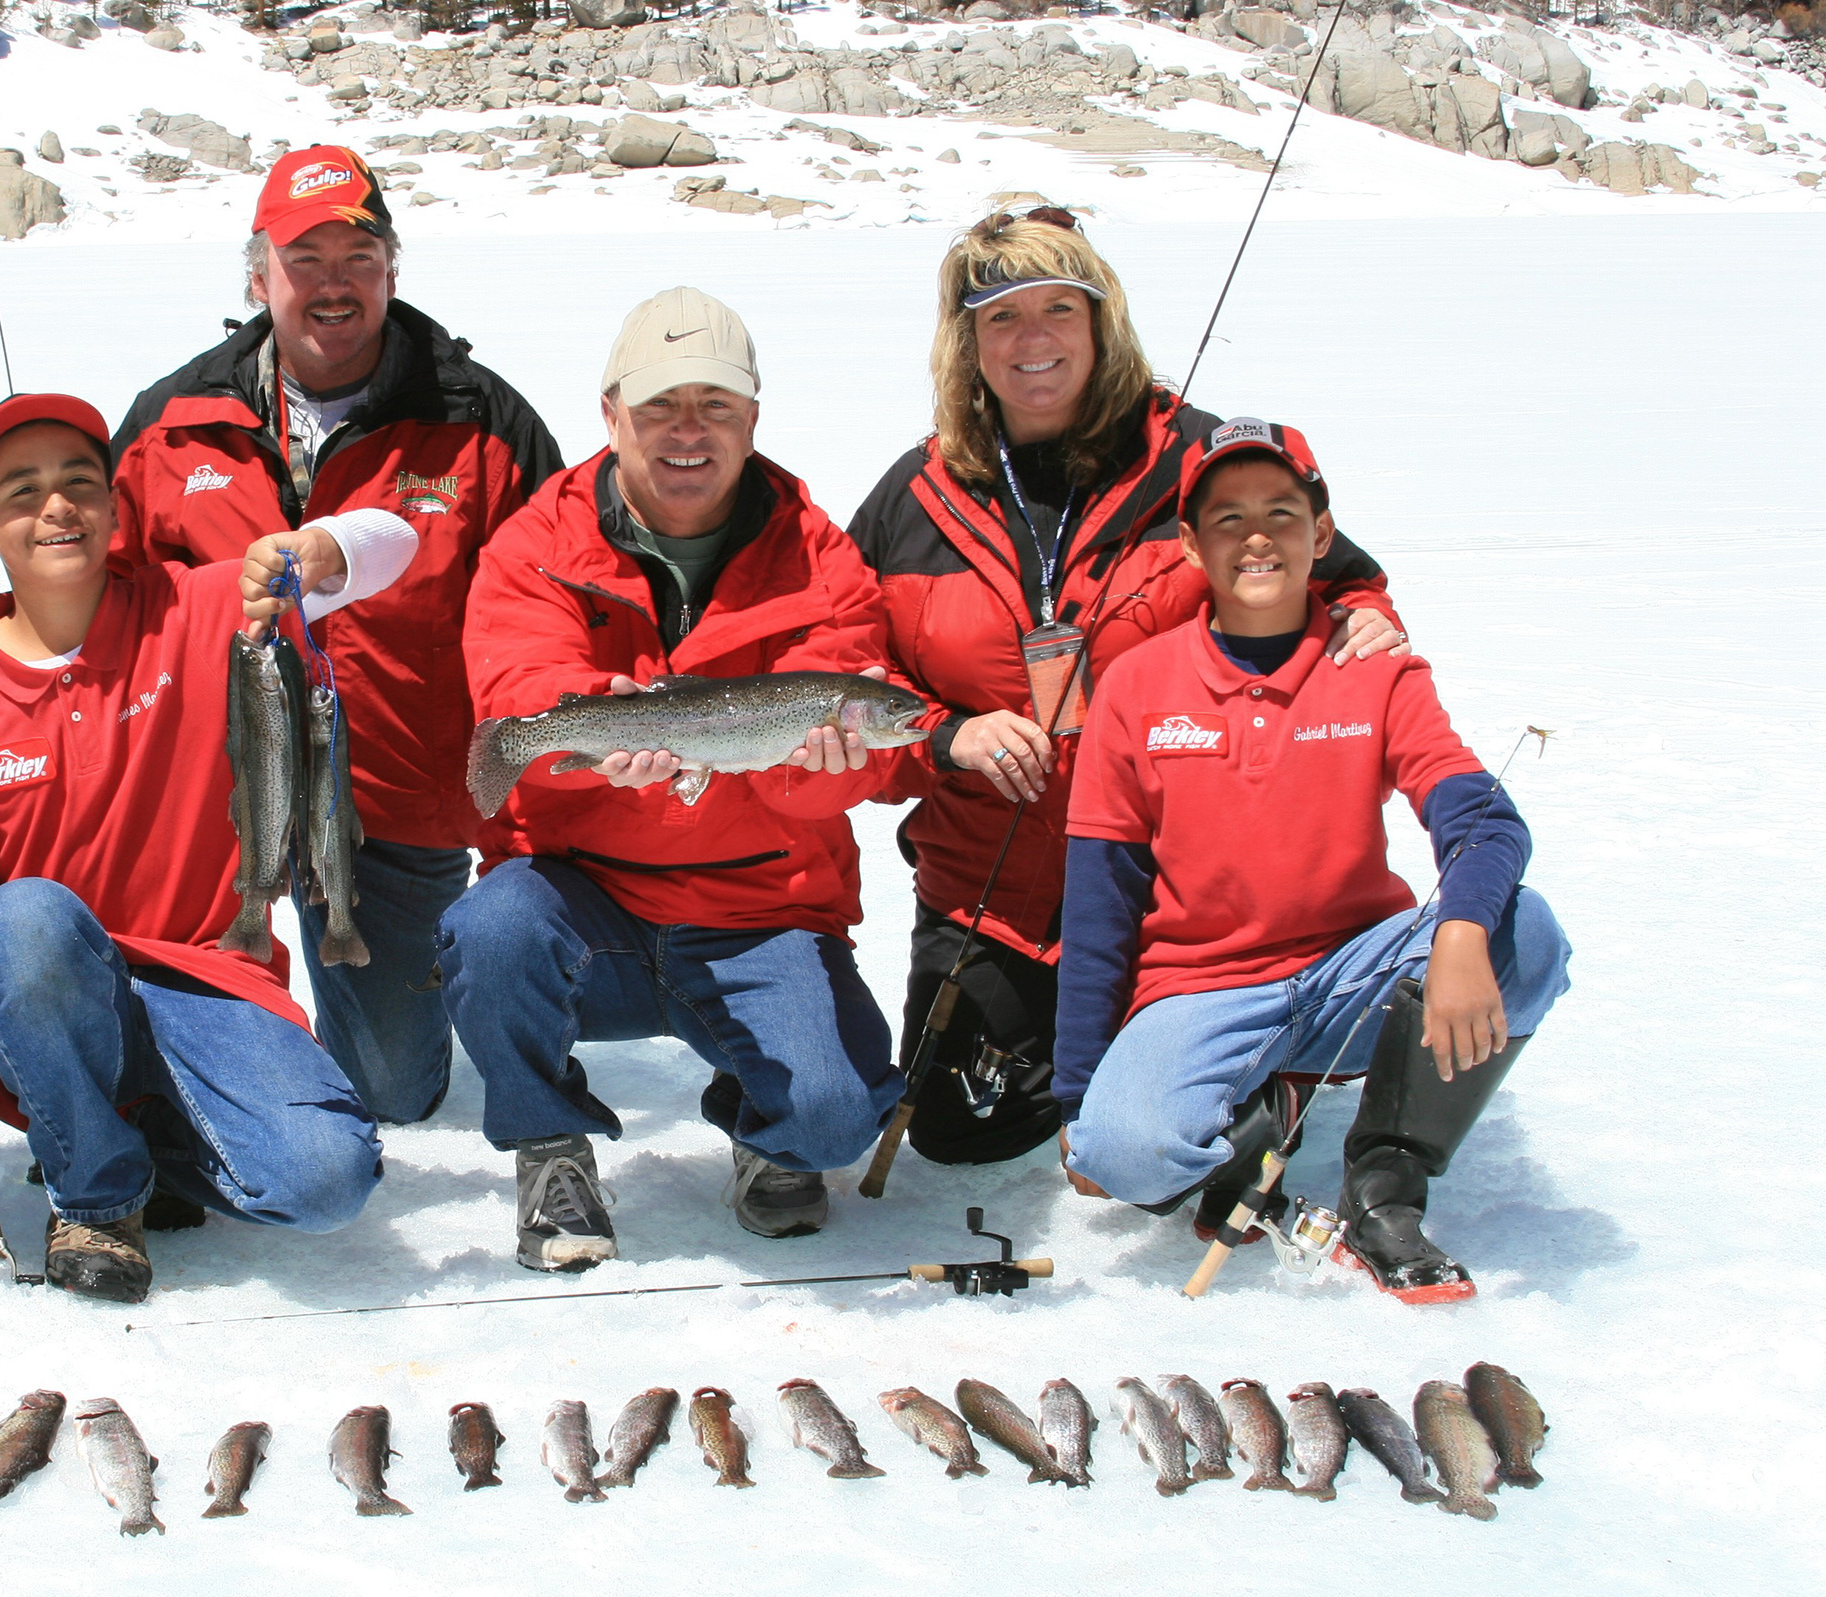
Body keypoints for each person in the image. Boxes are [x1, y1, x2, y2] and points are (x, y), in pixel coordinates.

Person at [845, 201, 1410, 1176]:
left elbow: (1339, 579)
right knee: (957, 1132)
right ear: (966, 341)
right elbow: (848, 672)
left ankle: (1255, 1052)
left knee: (1152, 1128)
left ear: (1101, 321)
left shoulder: (1200, 459)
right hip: (996, 896)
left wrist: (1362, 622)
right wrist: (944, 735)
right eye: (1002, 318)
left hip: (1183, 895)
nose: (1033, 340)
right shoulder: (915, 494)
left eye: (1058, 309)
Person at [439, 288, 917, 1274]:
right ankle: (549, 1143)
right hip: (587, 900)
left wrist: (823, 769)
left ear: (753, 418)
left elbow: (862, 769)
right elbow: (518, 690)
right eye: (660, 406)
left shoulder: (820, 558)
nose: (687, 431)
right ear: (611, 414)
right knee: (491, 930)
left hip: (758, 910)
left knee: (835, 1119)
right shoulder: (537, 544)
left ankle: (765, 1122)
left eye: (715, 406)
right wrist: (592, 739)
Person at [0, 394, 413, 1301]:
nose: (56, 506)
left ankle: (142, 1141)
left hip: (210, 979)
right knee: (23, 914)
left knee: (328, 1182)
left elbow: (395, 544)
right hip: (49, 999)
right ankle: (94, 1197)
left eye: (79, 483)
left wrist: (321, 546)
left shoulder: (205, 605)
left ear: (114, 508)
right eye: (23, 491)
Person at [1052, 418, 1572, 1304]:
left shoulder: (1375, 666)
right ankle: (1261, 1114)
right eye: (1228, 519)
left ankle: (1385, 1185)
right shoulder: (1136, 684)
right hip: (1201, 987)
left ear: (1320, 534)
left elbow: (1483, 817)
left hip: (1353, 972)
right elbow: (1102, 893)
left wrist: (1459, 931)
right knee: (1123, 1155)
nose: (1257, 538)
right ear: (1191, 545)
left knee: (1525, 934)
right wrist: (1077, 1097)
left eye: (1281, 514)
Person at [105, 144, 562, 1130]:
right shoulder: (171, 426)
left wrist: (516, 812)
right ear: (257, 276)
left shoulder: (480, 421)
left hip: (399, 801)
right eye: (303, 259)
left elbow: (550, 611)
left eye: (358, 257)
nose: (332, 285)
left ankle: (360, 1005)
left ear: (392, 270)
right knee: (167, 1035)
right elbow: (102, 613)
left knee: (396, 1089)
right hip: (217, 792)